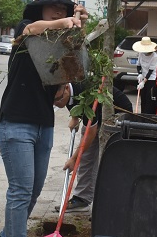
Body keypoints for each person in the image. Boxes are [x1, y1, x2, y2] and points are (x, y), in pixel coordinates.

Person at [0, 0, 87, 237]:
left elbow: (66, 88)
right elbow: (33, 29)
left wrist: (65, 89)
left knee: (32, 191)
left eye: (64, 8)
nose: (59, 11)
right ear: (41, 9)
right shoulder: (27, 31)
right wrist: (64, 22)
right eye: (53, 7)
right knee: (20, 191)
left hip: (44, 124)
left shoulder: (60, 47)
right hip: (16, 122)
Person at [57, 84, 133, 213]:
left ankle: (109, 203)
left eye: (58, 100)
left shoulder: (86, 95)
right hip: (96, 116)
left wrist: (74, 159)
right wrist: (74, 117)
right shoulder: (68, 91)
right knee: (86, 158)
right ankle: (82, 199)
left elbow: (90, 134)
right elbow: (74, 104)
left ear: (66, 89)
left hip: (116, 116)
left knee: (105, 160)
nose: (57, 103)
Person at [133, 37, 157, 115]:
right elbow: (138, 65)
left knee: (149, 99)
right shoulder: (141, 54)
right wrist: (140, 74)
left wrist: (144, 82)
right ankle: (142, 114)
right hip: (143, 77)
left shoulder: (154, 56)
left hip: (151, 79)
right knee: (143, 98)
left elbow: (151, 71)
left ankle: (149, 116)